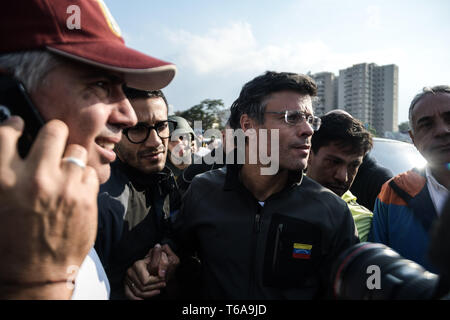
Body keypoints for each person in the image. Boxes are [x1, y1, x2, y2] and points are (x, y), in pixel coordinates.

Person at [0, 0, 175, 299]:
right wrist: (37, 286)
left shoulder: (52, 212)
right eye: (99, 84)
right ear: (7, 100)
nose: (127, 116)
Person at [173, 71, 359, 299]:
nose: (308, 130)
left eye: (310, 120)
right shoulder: (203, 191)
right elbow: (174, 256)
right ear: (248, 125)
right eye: (291, 117)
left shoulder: (331, 210)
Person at [95, 87, 181, 300]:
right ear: (114, 131)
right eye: (137, 129)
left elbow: (176, 227)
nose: (154, 141)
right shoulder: (99, 203)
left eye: (161, 126)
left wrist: (168, 252)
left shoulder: (166, 179)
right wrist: (121, 287)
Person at [369, 85, 450, 273]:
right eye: (427, 124)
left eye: (449, 118)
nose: (442, 130)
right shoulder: (393, 192)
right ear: (413, 139)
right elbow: (375, 270)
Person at [306, 111, 374, 241]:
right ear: (309, 154)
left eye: (354, 165)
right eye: (333, 162)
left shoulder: (364, 221)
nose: (343, 177)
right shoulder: (275, 201)